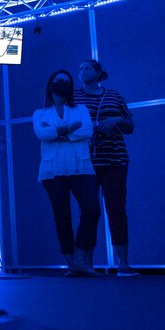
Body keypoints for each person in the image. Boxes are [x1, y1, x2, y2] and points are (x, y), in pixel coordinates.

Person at [34, 69, 101, 277]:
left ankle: (81, 258)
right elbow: (42, 133)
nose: (61, 84)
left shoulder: (81, 109)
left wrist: (57, 133)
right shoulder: (40, 114)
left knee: (92, 210)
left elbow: (87, 131)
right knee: (62, 216)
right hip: (52, 170)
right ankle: (72, 264)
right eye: (58, 81)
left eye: (65, 81)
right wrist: (70, 130)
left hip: (81, 166)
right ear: (50, 85)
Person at [75, 59, 136, 275]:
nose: (82, 71)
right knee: (90, 212)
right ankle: (87, 264)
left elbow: (130, 126)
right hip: (86, 162)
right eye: (80, 68)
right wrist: (93, 127)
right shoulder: (73, 97)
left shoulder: (114, 96)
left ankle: (123, 264)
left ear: (99, 73)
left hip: (115, 160)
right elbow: (68, 127)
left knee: (117, 210)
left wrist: (117, 119)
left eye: (88, 68)